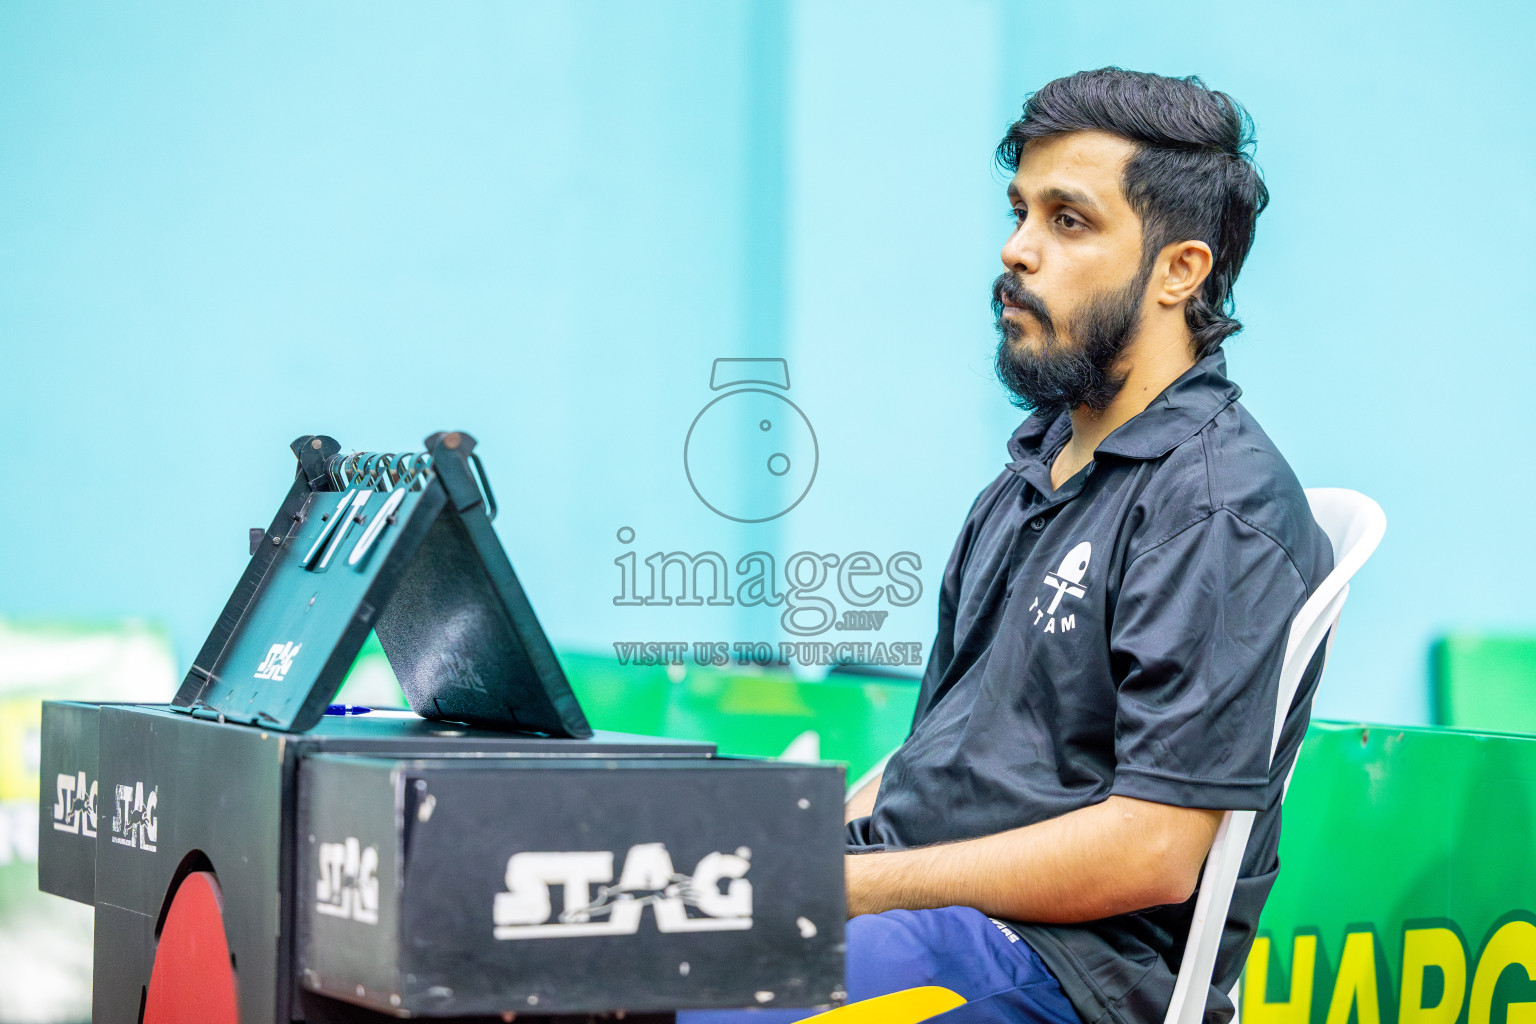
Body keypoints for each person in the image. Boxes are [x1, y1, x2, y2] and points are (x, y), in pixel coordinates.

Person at [688, 68, 1332, 1024]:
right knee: (591, 957)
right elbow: (945, 756)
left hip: (1057, 968)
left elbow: (1151, 852)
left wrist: (851, 885)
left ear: (1179, 270)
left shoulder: (1215, 506)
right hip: (931, 914)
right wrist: (793, 845)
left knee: (697, 1000)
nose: (1016, 249)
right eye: (1020, 210)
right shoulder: (1035, 470)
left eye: (1068, 220)